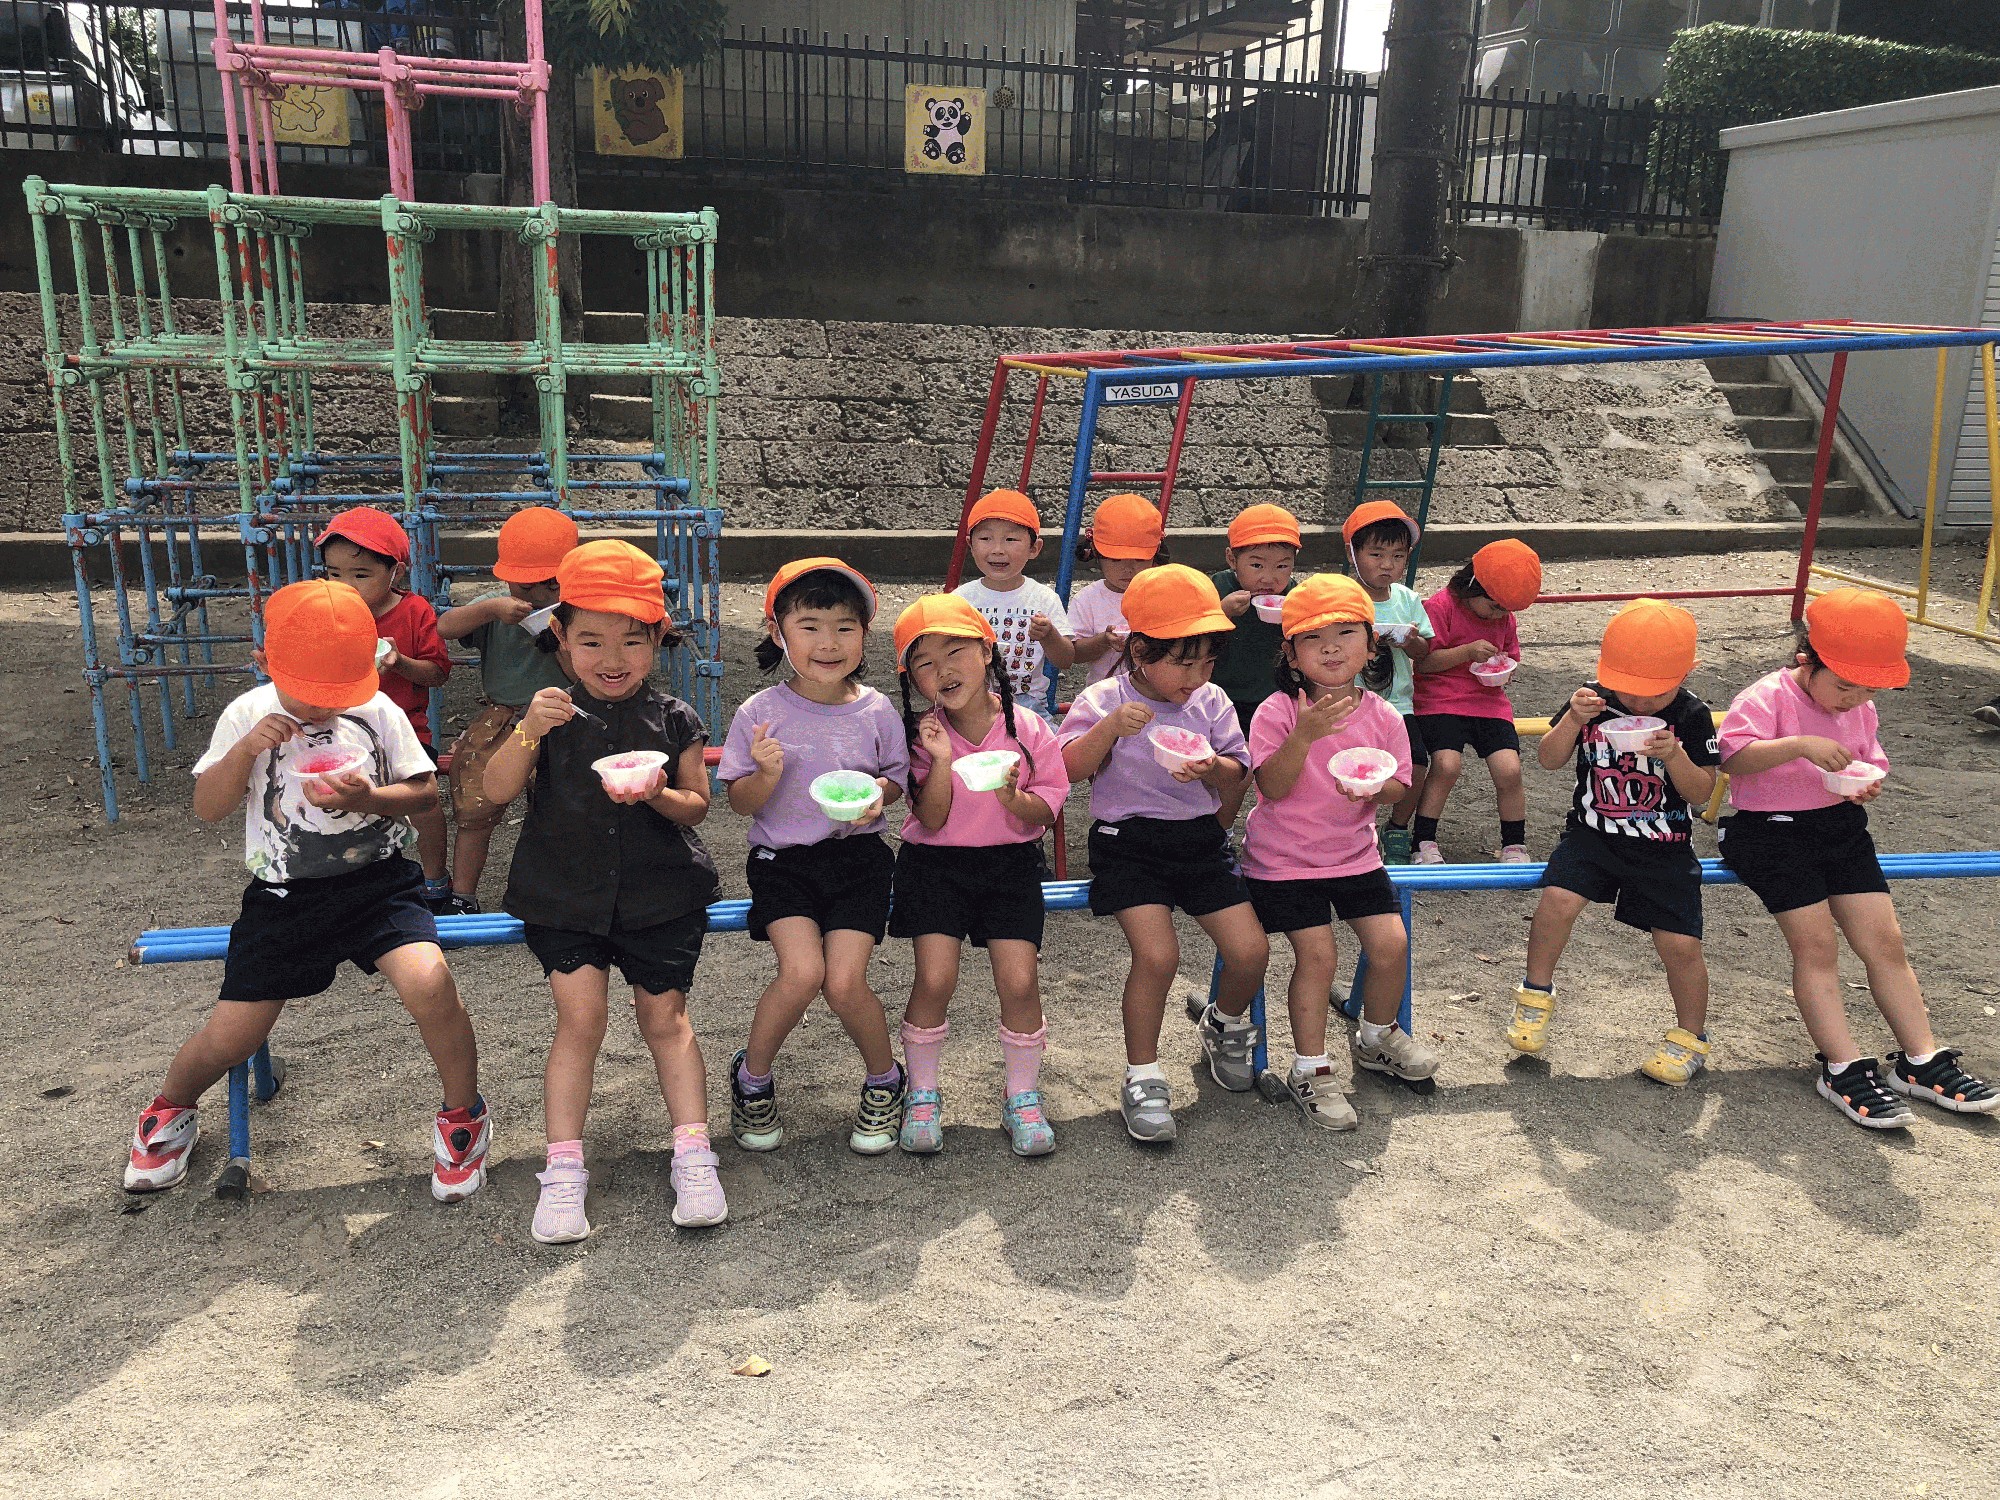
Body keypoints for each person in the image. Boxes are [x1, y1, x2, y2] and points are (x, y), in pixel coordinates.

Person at [122, 579, 489, 1200]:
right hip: (284, 893)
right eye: (311, 694)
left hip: (378, 884)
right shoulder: (247, 715)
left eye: (339, 693)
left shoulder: (377, 710)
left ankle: (463, 1115)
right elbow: (208, 807)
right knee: (233, 1033)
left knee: (431, 985)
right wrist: (246, 751)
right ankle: (172, 1106)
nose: (324, 709)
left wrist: (370, 798)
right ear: (266, 663)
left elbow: (425, 795)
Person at [482, 540, 726, 1242]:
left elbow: (697, 806)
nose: (611, 658)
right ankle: (562, 1171)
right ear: (560, 638)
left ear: (658, 639)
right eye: (590, 641)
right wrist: (528, 730)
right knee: (581, 1021)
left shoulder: (675, 717)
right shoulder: (548, 714)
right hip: (564, 893)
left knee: (665, 1020)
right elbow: (493, 792)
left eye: (631, 641)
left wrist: (656, 794)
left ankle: (694, 1156)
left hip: (660, 892)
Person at [1717, 588, 1998, 1127]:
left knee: (1885, 943)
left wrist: (1867, 785)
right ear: (1806, 661)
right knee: (1817, 946)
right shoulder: (1767, 696)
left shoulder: (1862, 708)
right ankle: (1840, 1065)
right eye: (1843, 685)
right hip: (1769, 832)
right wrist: (1799, 744)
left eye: (1867, 688)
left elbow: (1871, 760)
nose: (1853, 698)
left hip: (1839, 828)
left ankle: (1920, 1060)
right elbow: (1732, 758)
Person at [1058, 564, 1269, 1145]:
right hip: (1126, 843)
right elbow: (1068, 769)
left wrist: (1212, 767)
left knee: (1251, 951)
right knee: (1158, 957)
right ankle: (1143, 1074)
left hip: (1198, 839)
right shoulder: (1105, 697)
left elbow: (1239, 770)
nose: (1197, 676)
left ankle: (1222, 1023)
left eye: (1208, 662)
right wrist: (1109, 729)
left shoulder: (1211, 700)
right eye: (1183, 662)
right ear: (1140, 651)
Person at [718, 558, 912, 1154]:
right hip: (783, 862)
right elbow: (741, 803)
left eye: (844, 627)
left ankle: (886, 1080)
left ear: (864, 634)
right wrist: (765, 774)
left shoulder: (877, 709)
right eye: (810, 626)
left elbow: (895, 779)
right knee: (802, 973)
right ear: (778, 632)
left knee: (846, 982)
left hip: (859, 857)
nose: (828, 642)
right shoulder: (759, 713)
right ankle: (752, 1079)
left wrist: (879, 797)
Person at [1242, 574, 1431, 1129]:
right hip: (1284, 860)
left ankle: (1377, 1037)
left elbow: (1400, 785)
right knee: (1319, 956)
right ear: (1291, 655)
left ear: (1371, 646)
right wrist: (1303, 736)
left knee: (1391, 944)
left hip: (1354, 855)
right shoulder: (1278, 711)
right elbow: (1271, 787)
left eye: (1346, 633)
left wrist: (1376, 789)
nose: (1331, 647)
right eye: (1313, 638)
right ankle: (1311, 1067)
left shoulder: (1384, 715)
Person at [1510, 600, 1720, 1084]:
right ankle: (1534, 996)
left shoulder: (1692, 715)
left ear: (1687, 671)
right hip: (1592, 835)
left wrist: (1675, 756)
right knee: (1556, 902)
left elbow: (1702, 792)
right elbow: (1548, 759)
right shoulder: (1594, 698)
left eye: (1656, 691)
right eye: (1631, 689)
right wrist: (1572, 719)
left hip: (1664, 843)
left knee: (1681, 944)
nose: (1641, 703)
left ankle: (1691, 1037)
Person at [891, 594, 1071, 1156]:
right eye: (924, 662)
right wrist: (942, 759)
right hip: (935, 865)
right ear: (911, 678)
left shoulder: (1028, 727)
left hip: (1009, 864)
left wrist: (1014, 799)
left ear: (987, 652)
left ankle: (1023, 1096)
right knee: (935, 980)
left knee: (1019, 982)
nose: (943, 670)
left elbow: (1047, 810)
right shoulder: (922, 735)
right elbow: (930, 818)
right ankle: (923, 1094)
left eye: (955, 651)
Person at [436, 506, 578, 914]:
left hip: (562, 713)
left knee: (561, 807)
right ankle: (463, 894)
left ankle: (560, 890)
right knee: (474, 806)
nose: (537, 596)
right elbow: (444, 627)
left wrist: (556, 637)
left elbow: (582, 673)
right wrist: (490, 610)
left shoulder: (577, 609)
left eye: (550, 585)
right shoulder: (495, 605)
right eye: (525, 585)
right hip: (502, 716)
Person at [316, 506, 455, 910]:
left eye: (361, 574)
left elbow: (438, 672)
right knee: (338, 804)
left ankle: (435, 880)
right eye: (334, 573)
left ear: (395, 572)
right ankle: (348, 882)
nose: (346, 585)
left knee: (424, 801)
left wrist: (400, 662)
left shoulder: (414, 612)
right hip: (340, 729)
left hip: (405, 729)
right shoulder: (322, 610)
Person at [1409, 538, 1542, 864]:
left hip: (1488, 701)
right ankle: (1423, 841)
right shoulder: (1441, 606)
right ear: (1472, 585)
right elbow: (1424, 664)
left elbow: (1510, 657)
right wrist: (1466, 652)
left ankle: (1514, 845)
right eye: (1494, 607)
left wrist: (1504, 672)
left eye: (1507, 611)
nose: (1499, 616)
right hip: (1441, 698)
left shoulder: (1504, 616)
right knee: (1446, 765)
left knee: (1509, 770)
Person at [1342, 501, 1435, 864]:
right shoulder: (1344, 596)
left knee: (1417, 764)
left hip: (1398, 703)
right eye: (1376, 554)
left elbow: (1424, 651)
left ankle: (1396, 827)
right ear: (1352, 554)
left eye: (1397, 556)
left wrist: (1410, 640)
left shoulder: (1407, 599)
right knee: (1345, 766)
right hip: (1350, 700)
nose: (1387, 565)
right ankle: (1344, 827)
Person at [953, 488, 1077, 705]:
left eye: (1010, 539)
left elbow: (1066, 660)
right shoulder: (960, 600)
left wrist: (1049, 635)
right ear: (971, 545)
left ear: (1034, 548)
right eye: (985, 538)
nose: (998, 549)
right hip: (972, 702)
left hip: (1028, 703)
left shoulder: (1044, 598)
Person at [1209, 503, 1303, 737]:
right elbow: (1192, 637)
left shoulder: (1295, 595)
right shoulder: (1217, 588)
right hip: (1220, 695)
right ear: (1232, 559)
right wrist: (1222, 612)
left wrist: (1297, 620)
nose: (1268, 578)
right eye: (1256, 565)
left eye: (1282, 566)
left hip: (1273, 696)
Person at [1067, 492, 1165, 686]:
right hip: (1105, 695)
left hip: (1160, 694)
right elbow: (1073, 654)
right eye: (1116, 559)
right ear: (1096, 552)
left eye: (1139, 559)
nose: (1128, 568)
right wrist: (1103, 641)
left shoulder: (1166, 592)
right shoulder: (1088, 599)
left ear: (1156, 551)